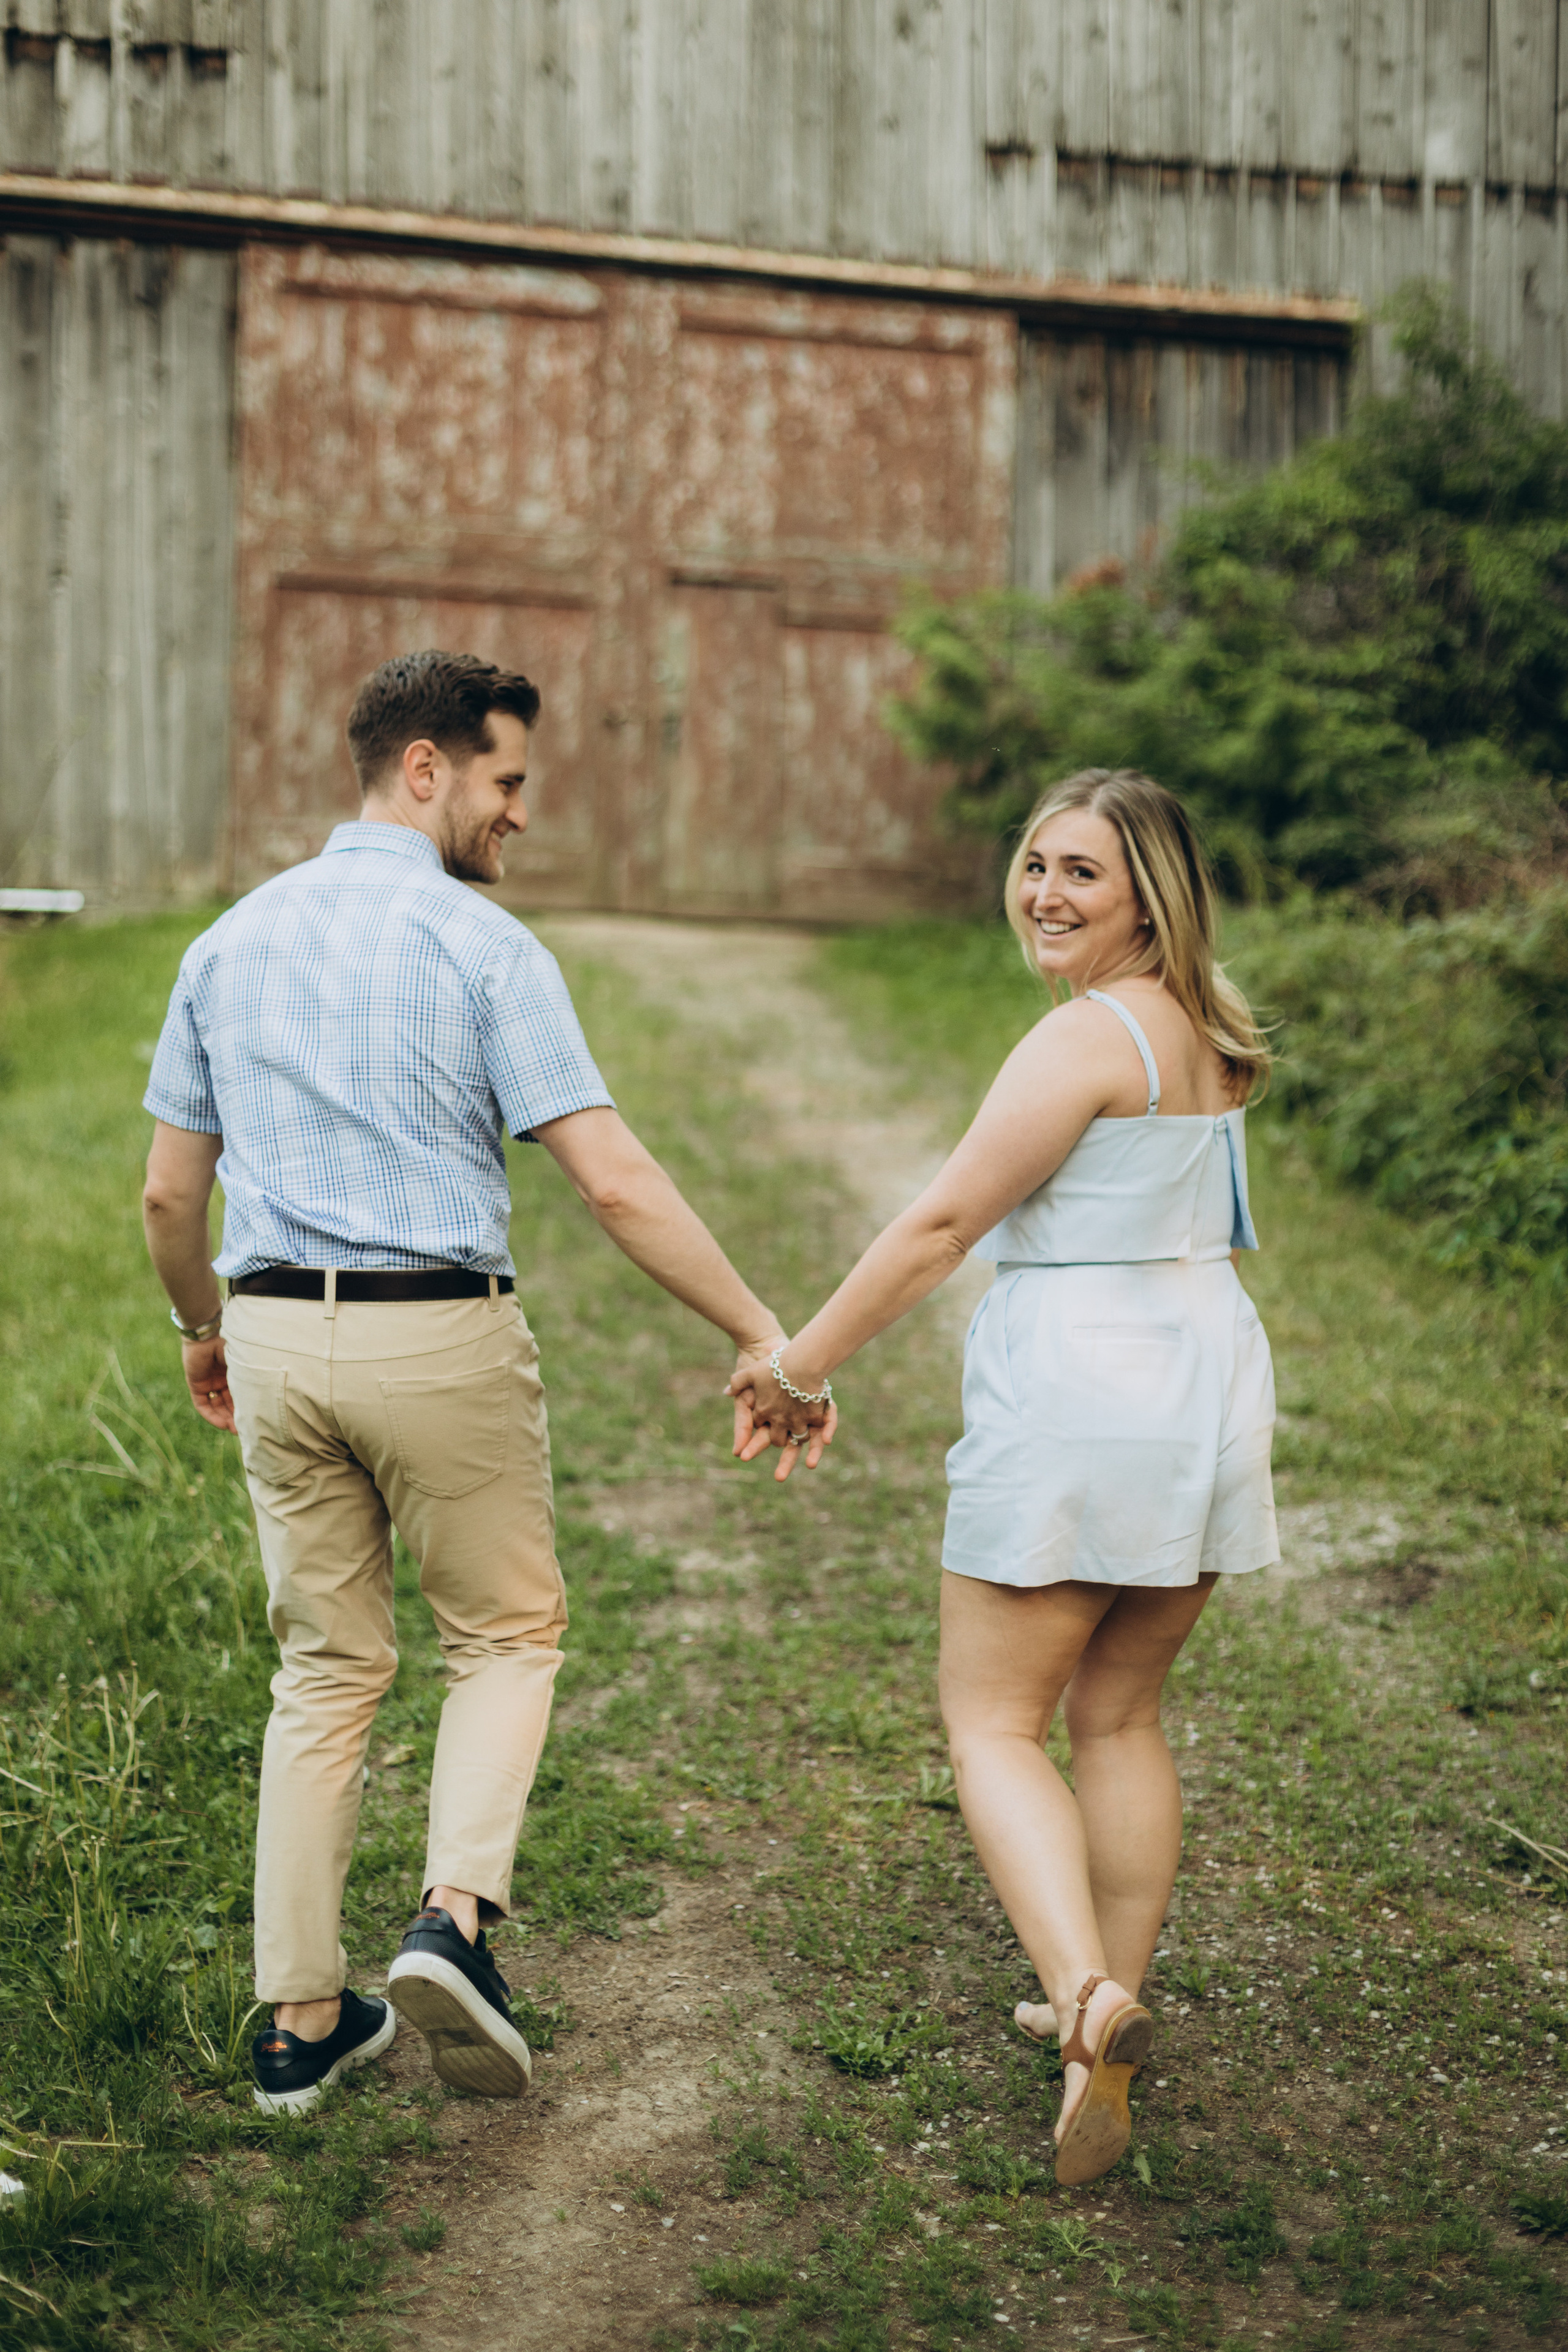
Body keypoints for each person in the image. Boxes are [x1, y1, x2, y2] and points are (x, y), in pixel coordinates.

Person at [140, 649, 832, 2116]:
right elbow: (614, 1182)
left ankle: (298, 2026)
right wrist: (758, 1331)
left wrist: (202, 1326)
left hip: (273, 1338)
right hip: (437, 1335)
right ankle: (452, 1923)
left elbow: (165, 1197)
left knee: (323, 1670)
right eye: (506, 781)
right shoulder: (482, 949)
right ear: (425, 768)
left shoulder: (225, 944)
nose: (519, 813)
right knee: (506, 1634)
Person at [733, 768, 1277, 2187]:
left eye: (1080, 872)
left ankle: (1082, 1996)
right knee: (1119, 1713)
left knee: (991, 1721)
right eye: (1034, 863)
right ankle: (1099, 2014)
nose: (1043, 892)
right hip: (1207, 1377)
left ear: (1147, 896)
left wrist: (798, 1366)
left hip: (1087, 1388)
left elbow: (940, 1226)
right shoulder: (1207, 1035)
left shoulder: (1086, 1036)